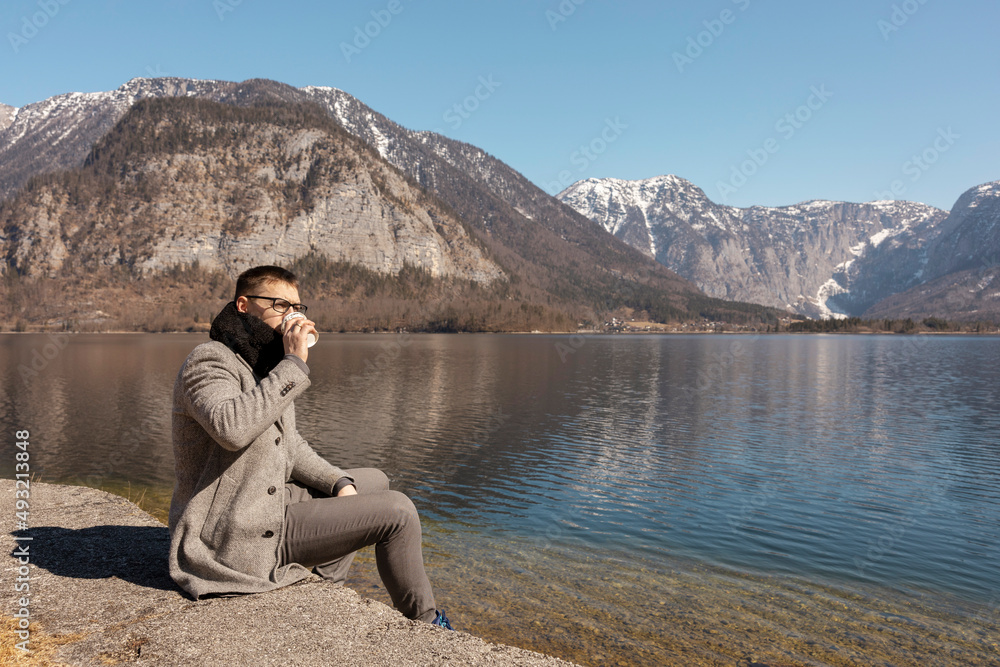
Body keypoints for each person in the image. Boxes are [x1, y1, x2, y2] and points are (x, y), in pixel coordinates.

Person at [167, 264, 452, 629]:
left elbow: (291, 446)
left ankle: (325, 589)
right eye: (281, 306)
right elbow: (231, 429)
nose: (294, 316)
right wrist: (293, 365)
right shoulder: (210, 361)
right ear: (243, 305)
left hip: (262, 502)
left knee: (372, 481)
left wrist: (338, 483)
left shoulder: (262, 367)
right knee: (398, 512)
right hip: (232, 536)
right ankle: (428, 625)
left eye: (298, 308)